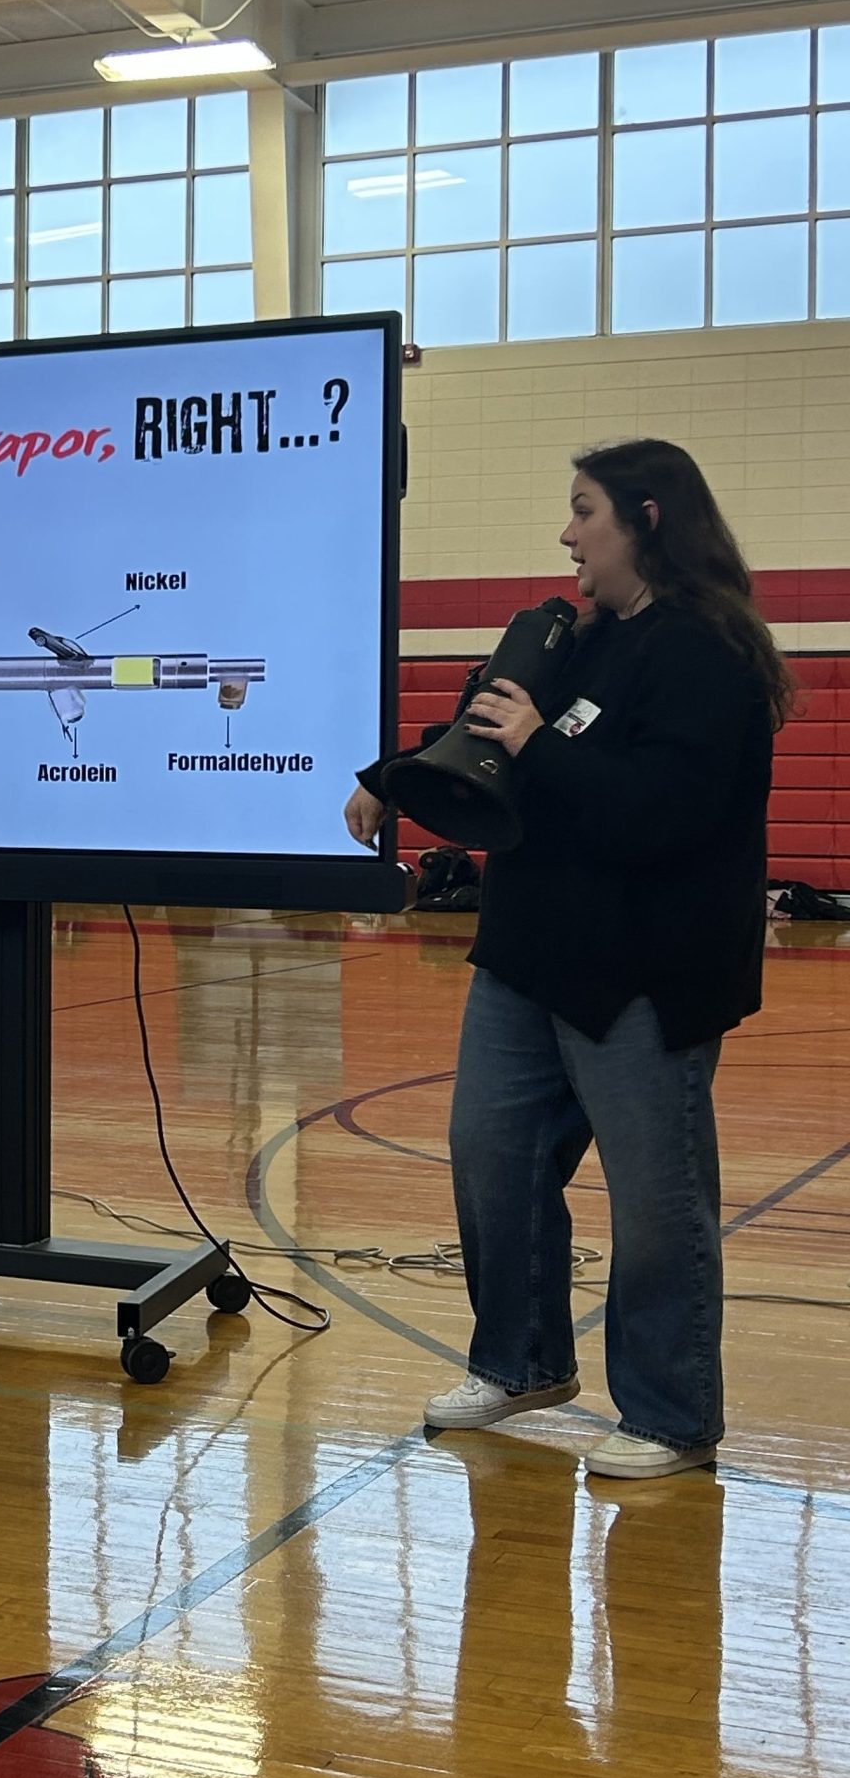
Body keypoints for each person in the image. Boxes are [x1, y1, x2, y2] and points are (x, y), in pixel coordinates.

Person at [346, 440, 780, 1481]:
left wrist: (544, 745)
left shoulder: (706, 652)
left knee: (658, 1203)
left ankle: (672, 1415)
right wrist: (392, 778)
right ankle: (522, 1362)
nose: (567, 533)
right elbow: (486, 734)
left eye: (584, 510)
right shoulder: (574, 638)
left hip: (643, 976)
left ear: (647, 518)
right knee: (490, 1161)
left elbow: (659, 812)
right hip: (527, 957)